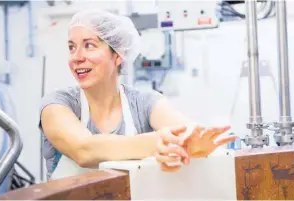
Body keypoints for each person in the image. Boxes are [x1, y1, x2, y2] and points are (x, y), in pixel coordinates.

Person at [38, 9, 237, 180]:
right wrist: (157, 143)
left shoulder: (144, 102)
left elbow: (182, 130)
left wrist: (189, 144)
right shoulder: (57, 105)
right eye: (72, 47)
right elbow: (84, 150)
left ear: (117, 55)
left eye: (89, 45)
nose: (77, 57)